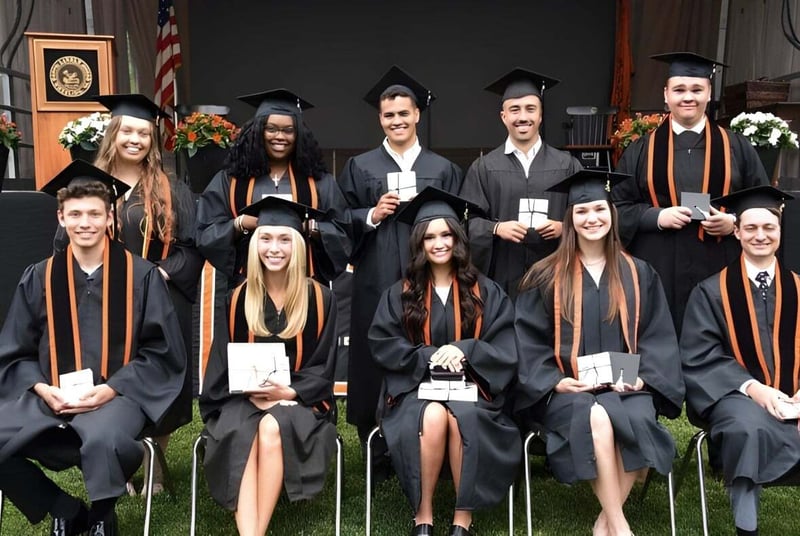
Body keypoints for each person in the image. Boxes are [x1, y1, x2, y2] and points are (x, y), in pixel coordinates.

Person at [0, 161, 186, 536]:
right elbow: (15, 349)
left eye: (93, 214)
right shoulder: (39, 276)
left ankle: (103, 516)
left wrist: (111, 388)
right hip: (50, 397)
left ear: (109, 217)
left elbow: (160, 352)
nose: (84, 223)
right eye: (75, 214)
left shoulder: (141, 276)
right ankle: (63, 507)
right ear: (61, 217)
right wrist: (43, 389)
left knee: (103, 437)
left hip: (118, 397)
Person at [514, 170, 684, 536]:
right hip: (571, 392)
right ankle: (619, 526)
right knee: (597, 417)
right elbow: (527, 340)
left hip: (627, 387)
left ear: (612, 213)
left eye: (599, 210)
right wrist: (556, 381)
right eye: (581, 212)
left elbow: (658, 335)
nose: (592, 219)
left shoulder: (639, 273)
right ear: (570, 220)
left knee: (636, 420)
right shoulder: (545, 276)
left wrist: (644, 376)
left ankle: (605, 522)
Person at [369, 187, 520, 536]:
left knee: (461, 415)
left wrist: (467, 349)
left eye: (446, 235)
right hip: (415, 392)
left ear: (458, 239)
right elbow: (382, 342)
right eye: (430, 237)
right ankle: (423, 515)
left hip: (473, 393)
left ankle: (461, 519)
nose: (439, 243)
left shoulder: (486, 291)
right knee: (433, 415)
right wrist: (427, 355)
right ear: (419, 244)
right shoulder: (400, 293)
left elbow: (505, 344)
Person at [338, 66, 463, 462]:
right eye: (389, 115)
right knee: (376, 352)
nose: (397, 121)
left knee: (427, 347)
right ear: (380, 118)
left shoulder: (441, 168)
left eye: (403, 114)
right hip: (376, 279)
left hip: (428, 279)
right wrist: (371, 215)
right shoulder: (361, 167)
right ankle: (374, 442)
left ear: (417, 116)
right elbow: (341, 219)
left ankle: (429, 439)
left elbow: (457, 227)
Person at [199, 196, 338, 535]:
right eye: (265, 238)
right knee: (245, 430)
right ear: (254, 243)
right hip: (242, 399)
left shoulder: (320, 298)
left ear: (299, 246)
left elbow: (325, 364)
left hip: (300, 401)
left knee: (272, 427)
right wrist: (250, 391)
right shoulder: (236, 299)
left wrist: (288, 391)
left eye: (284, 239)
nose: (274, 248)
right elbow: (221, 362)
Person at [91, 93, 202, 492]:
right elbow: (65, 244)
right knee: (114, 375)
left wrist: (156, 274)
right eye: (128, 131)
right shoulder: (91, 187)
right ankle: (120, 458)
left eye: (144, 133)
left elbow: (192, 248)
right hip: (104, 301)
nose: (135, 139)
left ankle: (154, 464)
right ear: (113, 135)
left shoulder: (171, 189)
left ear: (153, 141)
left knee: (160, 381)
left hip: (161, 299)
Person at [612, 52, 768, 334]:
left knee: (721, 332)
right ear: (666, 94)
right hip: (658, 264)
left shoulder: (737, 147)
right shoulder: (641, 150)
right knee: (657, 335)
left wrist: (733, 222)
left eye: (697, 90)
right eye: (679, 90)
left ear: (709, 94)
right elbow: (617, 206)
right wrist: (656, 217)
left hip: (719, 259)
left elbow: (763, 202)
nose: (688, 97)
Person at [680, 186, 800, 536]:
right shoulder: (711, 291)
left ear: (780, 231)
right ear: (736, 231)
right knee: (747, 428)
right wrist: (756, 390)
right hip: (736, 396)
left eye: (769, 228)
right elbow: (700, 355)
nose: (760, 236)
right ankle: (746, 528)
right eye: (750, 228)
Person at [196, 88, 350, 288]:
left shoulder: (319, 182)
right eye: (271, 129)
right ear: (258, 132)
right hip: (248, 285)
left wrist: (311, 228)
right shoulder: (231, 181)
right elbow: (205, 232)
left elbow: (343, 232)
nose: (280, 136)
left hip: (304, 286)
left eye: (288, 130)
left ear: (299, 135)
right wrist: (239, 224)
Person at [459, 67, 582, 299]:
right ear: (503, 116)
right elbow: (465, 222)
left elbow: (589, 215)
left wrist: (564, 227)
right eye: (514, 110)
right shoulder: (484, 167)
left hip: (556, 276)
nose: (523, 117)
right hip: (503, 278)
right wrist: (496, 228)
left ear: (541, 115)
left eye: (530, 109)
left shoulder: (567, 165)